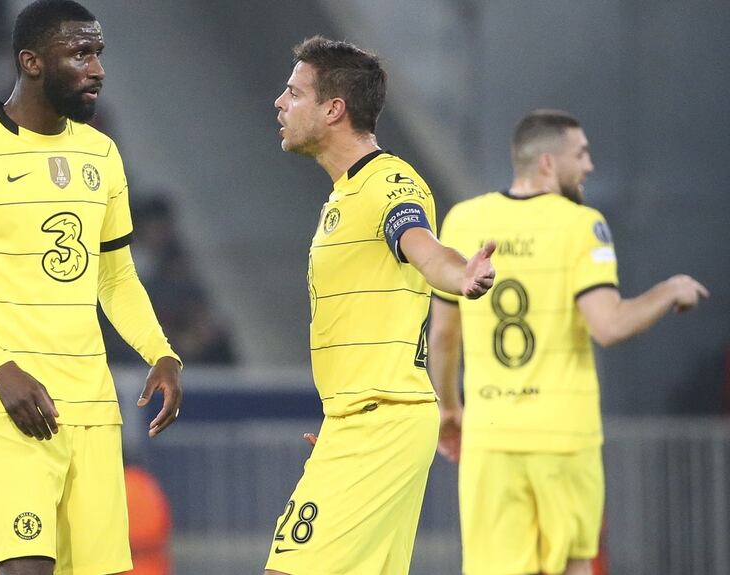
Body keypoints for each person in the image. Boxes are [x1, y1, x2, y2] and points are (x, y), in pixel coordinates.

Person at [0, 2, 183, 574]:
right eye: (80, 53)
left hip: (92, 402)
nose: (97, 69)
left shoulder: (101, 154)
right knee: (25, 566)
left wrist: (159, 350)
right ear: (31, 62)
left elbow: (115, 274)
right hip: (9, 398)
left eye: (98, 54)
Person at [428, 109, 709, 575]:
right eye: (581, 153)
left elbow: (442, 333)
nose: (590, 166)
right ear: (547, 164)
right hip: (563, 436)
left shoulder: (464, 218)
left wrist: (449, 408)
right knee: (576, 567)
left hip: (491, 438)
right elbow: (609, 325)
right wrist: (669, 290)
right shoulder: (581, 224)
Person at [264, 36, 496, 575]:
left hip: (380, 421)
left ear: (333, 109)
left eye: (294, 93)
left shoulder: (389, 181)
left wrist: (458, 273)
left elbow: (419, 244)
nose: (280, 102)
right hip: (363, 419)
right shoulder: (345, 195)